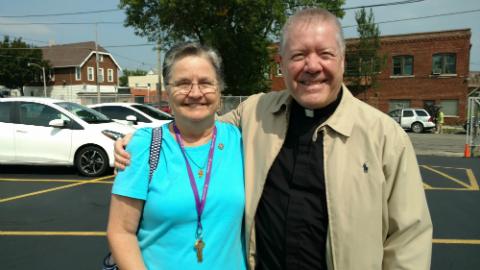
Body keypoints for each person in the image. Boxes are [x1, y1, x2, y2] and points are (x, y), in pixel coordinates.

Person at [114, 8, 432, 270]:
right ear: (281, 64)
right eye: (298, 55)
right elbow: (198, 123)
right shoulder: (256, 113)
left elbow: (409, 240)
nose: (312, 66)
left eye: (325, 54)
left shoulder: (384, 137)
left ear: (342, 60)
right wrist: (140, 139)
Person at [107, 43, 246, 270]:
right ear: (168, 92)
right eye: (182, 84)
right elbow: (121, 232)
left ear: (220, 89)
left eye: (205, 83)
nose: (195, 93)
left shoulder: (240, 140)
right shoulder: (144, 146)